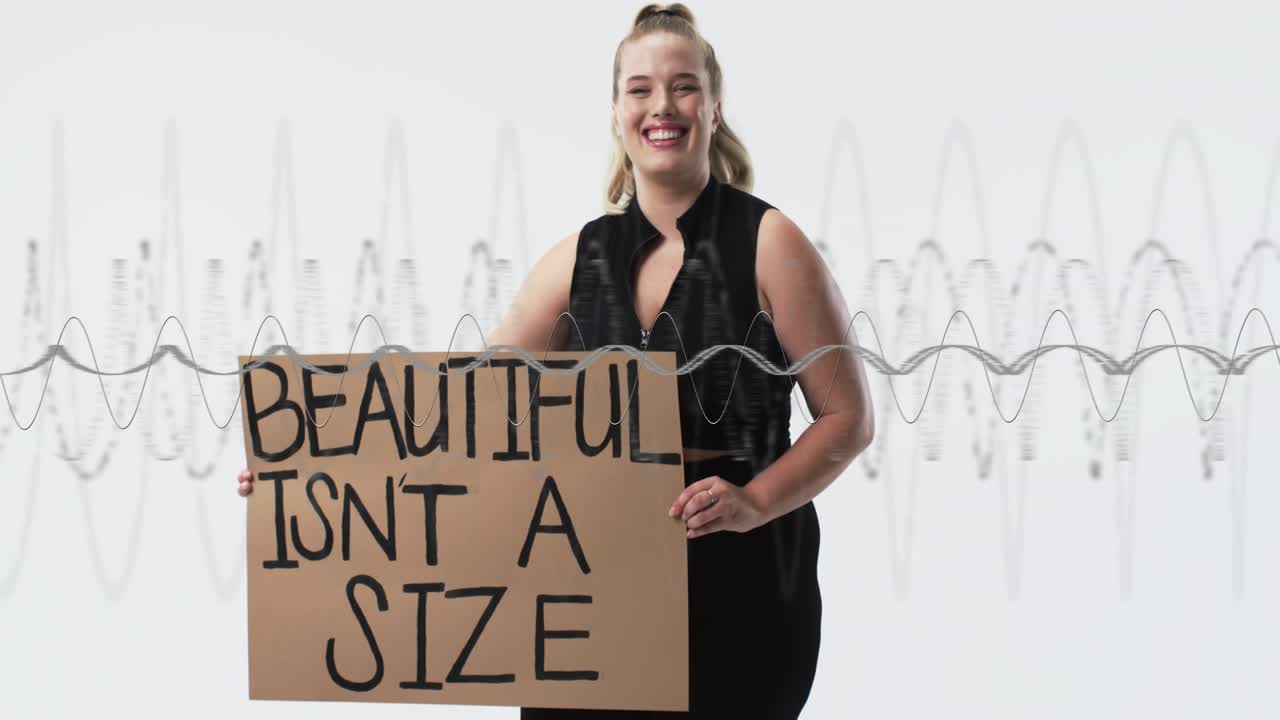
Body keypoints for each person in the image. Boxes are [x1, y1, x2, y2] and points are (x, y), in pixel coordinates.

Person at [236, 4, 874, 718]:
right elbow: (463, 413)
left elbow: (848, 418)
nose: (662, 106)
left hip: (745, 596)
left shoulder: (772, 243)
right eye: (640, 89)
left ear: (714, 107)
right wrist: (307, 474)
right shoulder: (577, 260)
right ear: (616, 112)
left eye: (684, 86)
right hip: (593, 597)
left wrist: (754, 502)